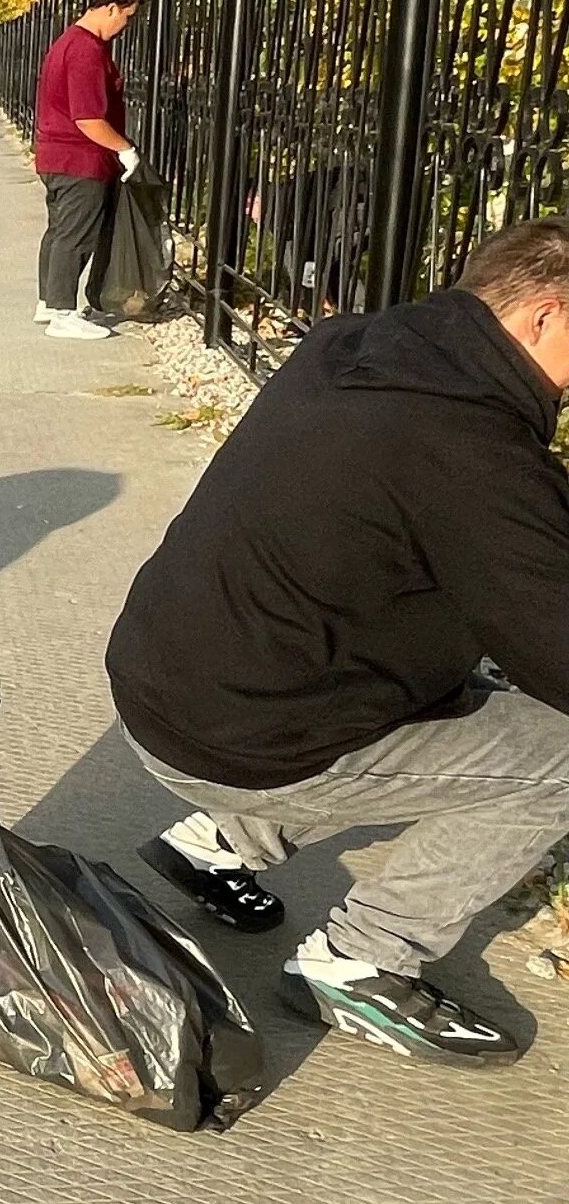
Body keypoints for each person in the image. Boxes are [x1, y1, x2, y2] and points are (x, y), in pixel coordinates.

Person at [108, 216, 569, 1068]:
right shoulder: (466, 446)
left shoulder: (360, 344)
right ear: (543, 315)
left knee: (450, 691)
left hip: (166, 683)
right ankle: (361, 962)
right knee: (556, 755)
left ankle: (215, 843)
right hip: (239, 738)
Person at [32, 0, 147, 342]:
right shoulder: (86, 51)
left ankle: (50, 302)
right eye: (127, 16)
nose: (126, 25)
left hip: (56, 155)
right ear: (111, 8)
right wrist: (124, 148)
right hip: (79, 160)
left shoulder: (67, 43)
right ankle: (64, 314)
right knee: (76, 235)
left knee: (59, 231)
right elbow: (88, 119)